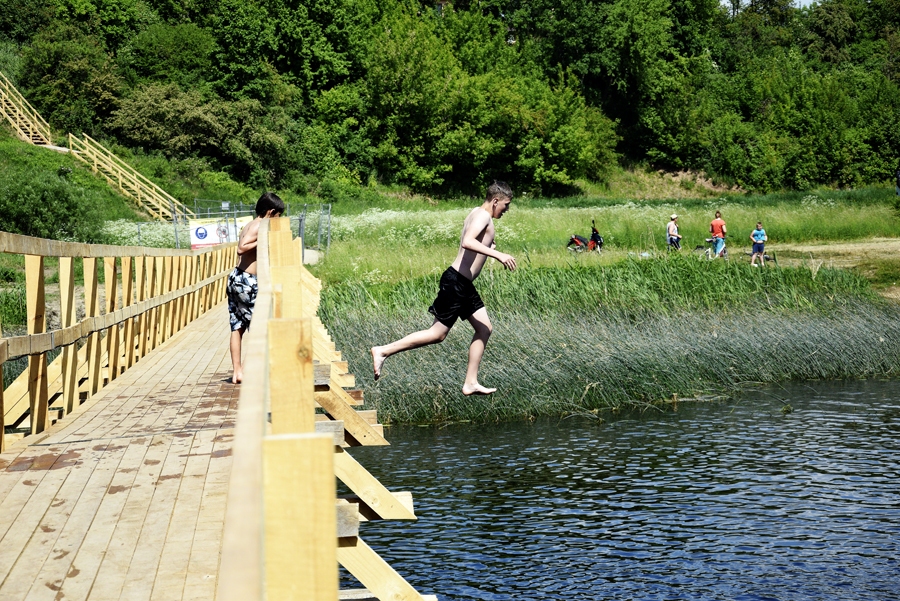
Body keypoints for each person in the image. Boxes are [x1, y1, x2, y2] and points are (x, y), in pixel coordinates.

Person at [371, 181, 517, 396]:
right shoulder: (482, 216)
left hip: (463, 284)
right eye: (506, 205)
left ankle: (470, 382)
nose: (507, 210)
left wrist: (489, 247)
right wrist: (498, 254)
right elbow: (467, 241)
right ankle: (383, 351)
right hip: (456, 282)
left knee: (484, 328)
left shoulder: (476, 213)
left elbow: (475, 243)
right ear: (495, 201)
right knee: (437, 334)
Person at [228, 191, 285, 383]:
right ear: (270, 212)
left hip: (237, 277)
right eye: (278, 216)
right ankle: (254, 369)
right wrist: (263, 238)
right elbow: (241, 248)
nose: (279, 220)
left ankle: (238, 372)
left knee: (238, 326)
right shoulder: (260, 226)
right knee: (261, 325)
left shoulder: (250, 224)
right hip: (247, 282)